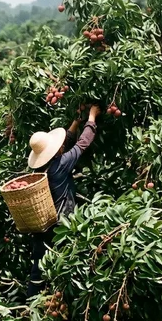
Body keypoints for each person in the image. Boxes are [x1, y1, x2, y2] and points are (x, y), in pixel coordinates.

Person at [25, 105, 101, 297]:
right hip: (62, 226)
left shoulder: (39, 170)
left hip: (42, 227)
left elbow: (63, 145)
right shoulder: (60, 165)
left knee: (38, 269)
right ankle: (64, 300)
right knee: (66, 265)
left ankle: (31, 305)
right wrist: (92, 117)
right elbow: (83, 143)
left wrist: (75, 123)